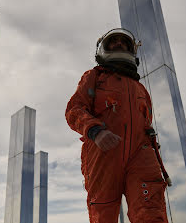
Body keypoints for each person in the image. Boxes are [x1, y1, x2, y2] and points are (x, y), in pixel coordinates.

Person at [65, 28, 171, 223]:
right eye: (113, 41)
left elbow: (146, 124)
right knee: (103, 215)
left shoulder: (141, 89)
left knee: (151, 211)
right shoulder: (94, 76)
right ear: (102, 49)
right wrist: (95, 131)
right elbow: (74, 110)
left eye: (124, 42)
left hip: (142, 154)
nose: (119, 44)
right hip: (103, 153)